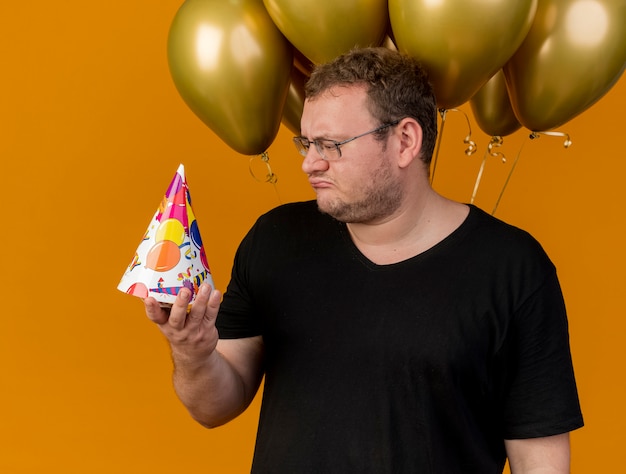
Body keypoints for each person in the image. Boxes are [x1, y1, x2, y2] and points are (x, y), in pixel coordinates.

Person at [145, 47, 583, 473]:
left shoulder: (513, 268)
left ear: (404, 141)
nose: (309, 164)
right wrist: (193, 354)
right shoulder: (274, 239)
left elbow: (539, 458)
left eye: (331, 145)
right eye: (306, 143)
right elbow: (213, 408)